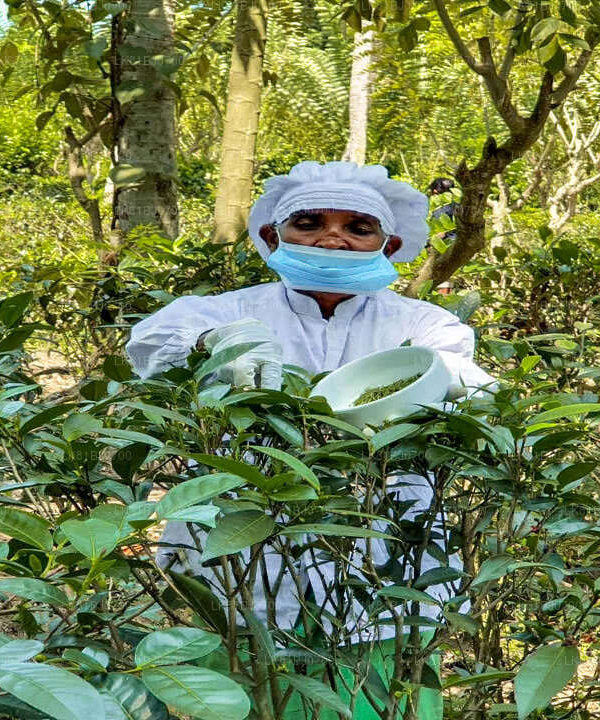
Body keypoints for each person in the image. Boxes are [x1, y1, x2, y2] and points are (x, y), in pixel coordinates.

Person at [125, 161, 496, 720]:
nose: (333, 237)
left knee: (379, 682)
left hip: (385, 534)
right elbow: (150, 343)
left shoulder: (425, 324)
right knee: (245, 680)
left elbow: (452, 376)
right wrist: (213, 342)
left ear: (389, 243)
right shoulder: (229, 311)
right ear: (273, 236)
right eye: (309, 221)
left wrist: (465, 390)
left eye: (358, 227)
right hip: (245, 534)